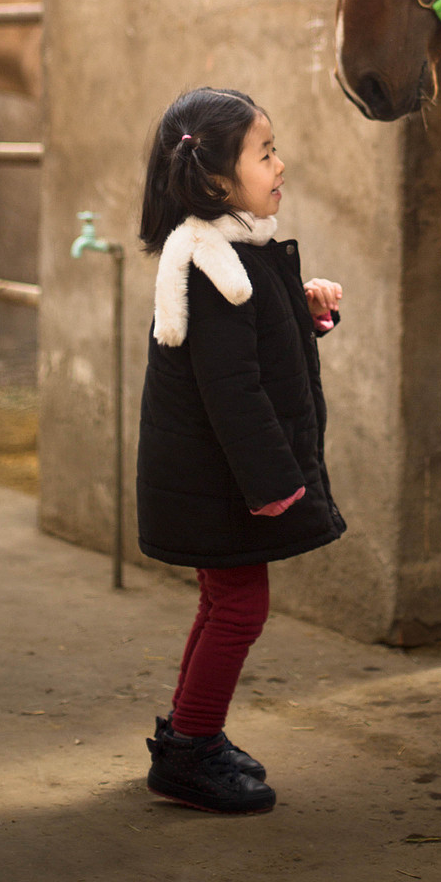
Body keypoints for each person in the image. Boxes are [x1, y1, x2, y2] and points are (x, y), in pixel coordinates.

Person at [136, 86, 346, 814]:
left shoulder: (237, 249)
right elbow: (234, 391)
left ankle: (189, 737)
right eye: (265, 153)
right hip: (221, 479)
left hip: (212, 477)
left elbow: (262, 347)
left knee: (222, 601)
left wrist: (307, 308)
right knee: (239, 609)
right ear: (219, 179)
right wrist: (276, 487)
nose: (280, 163)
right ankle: (191, 749)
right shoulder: (211, 264)